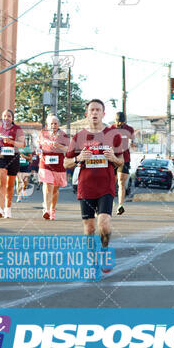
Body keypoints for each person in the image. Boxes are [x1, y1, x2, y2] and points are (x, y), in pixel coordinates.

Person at [64, 99, 124, 261]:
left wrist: (113, 158)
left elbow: (121, 161)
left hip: (106, 186)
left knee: (103, 223)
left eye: (98, 110)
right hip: (86, 187)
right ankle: (91, 258)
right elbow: (66, 162)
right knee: (89, 228)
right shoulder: (79, 137)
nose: (95, 113)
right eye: (92, 110)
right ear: (87, 114)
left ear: (103, 114)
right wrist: (78, 158)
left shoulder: (113, 135)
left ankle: (104, 251)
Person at [0, 109, 25, 219]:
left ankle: (7, 208)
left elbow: (23, 144)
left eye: (8, 116)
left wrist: (12, 142)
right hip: (0, 157)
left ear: (12, 118)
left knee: (10, 185)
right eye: (4, 116)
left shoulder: (17, 129)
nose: (6, 118)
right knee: (1, 182)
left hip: (13, 157)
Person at [38, 115, 69, 220]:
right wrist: (38, 150)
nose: (53, 125)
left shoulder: (63, 135)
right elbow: (38, 145)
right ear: (48, 124)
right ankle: (46, 210)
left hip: (58, 165)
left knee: (55, 189)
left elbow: (68, 149)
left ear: (58, 124)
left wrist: (59, 146)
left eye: (55, 123)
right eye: (51, 123)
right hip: (45, 163)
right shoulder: (43, 133)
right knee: (48, 185)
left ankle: (52, 209)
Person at [109, 111, 135, 215]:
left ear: (124, 121)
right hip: (112, 158)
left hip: (125, 159)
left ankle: (120, 205)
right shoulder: (110, 129)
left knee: (121, 182)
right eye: (118, 122)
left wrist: (131, 144)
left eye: (121, 122)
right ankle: (109, 202)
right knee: (111, 182)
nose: (119, 124)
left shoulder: (129, 129)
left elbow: (133, 143)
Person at [16, 135, 33, 202]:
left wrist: (24, 156)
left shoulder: (27, 148)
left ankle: (24, 190)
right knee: (19, 181)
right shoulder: (16, 148)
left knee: (25, 182)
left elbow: (30, 158)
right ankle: (19, 196)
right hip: (17, 166)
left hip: (25, 166)